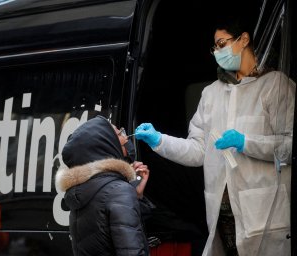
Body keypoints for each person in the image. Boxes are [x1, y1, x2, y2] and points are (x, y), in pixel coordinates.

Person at [134, 16, 295, 256]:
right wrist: (160, 141)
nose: (217, 52)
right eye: (215, 47)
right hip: (224, 217)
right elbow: (198, 151)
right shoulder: (211, 94)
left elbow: (289, 145)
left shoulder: (275, 86)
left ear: (243, 40)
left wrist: (246, 143)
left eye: (222, 44)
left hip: (265, 215)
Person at [54, 115, 150, 256]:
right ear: (106, 143)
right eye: (120, 133)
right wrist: (128, 193)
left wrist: (137, 195)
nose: (126, 137)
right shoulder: (119, 191)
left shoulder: (81, 192)